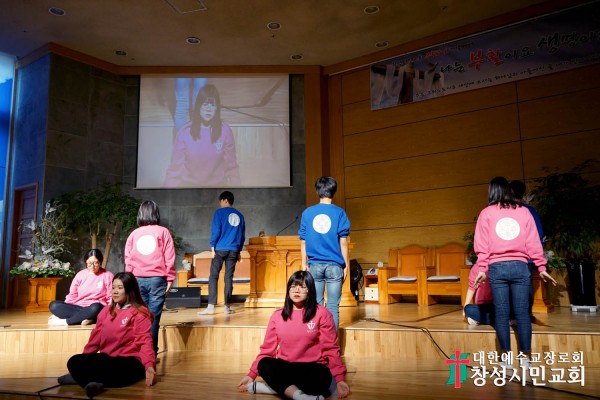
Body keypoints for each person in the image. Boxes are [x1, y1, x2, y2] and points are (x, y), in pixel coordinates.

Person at [474, 177, 556, 368]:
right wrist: (541, 267)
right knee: (522, 314)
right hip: (521, 267)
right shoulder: (524, 212)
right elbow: (534, 242)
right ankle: (526, 358)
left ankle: (506, 359)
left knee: (501, 314)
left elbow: (481, 245)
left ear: (491, 191)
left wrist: (482, 268)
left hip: (497, 268)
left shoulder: (486, 213)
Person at [238, 271, 350, 400]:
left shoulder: (322, 314)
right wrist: (251, 375)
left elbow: (330, 348)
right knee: (264, 364)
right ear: (288, 290)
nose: (297, 290)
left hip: (311, 368)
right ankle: (299, 396)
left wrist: (340, 379)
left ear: (310, 290)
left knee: (323, 379)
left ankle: (274, 388)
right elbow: (267, 350)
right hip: (286, 367)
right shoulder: (277, 315)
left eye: (302, 286)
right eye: (293, 286)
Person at [57, 272, 156, 398]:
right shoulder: (106, 311)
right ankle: (89, 382)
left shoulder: (139, 313)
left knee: (116, 372)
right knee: (74, 361)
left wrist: (149, 365)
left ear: (129, 290)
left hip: (129, 361)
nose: (115, 291)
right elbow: (95, 340)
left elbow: (144, 341)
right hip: (108, 358)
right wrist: (84, 361)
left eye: (120, 288)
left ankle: (80, 379)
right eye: (113, 287)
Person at [164, 84, 241, 187]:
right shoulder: (184, 133)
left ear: (217, 108)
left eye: (212, 105)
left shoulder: (225, 131)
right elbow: (174, 171)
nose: (208, 109)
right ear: (198, 106)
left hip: (216, 188)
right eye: (205, 104)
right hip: (190, 188)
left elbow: (232, 168)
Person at [299, 176, 350, 330]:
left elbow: (303, 241)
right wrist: (346, 265)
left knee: (316, 306)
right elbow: (343, 242)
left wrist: (303, 263)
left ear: (317, 191)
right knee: (333, 307)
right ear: (334, 191)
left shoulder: (308, 213)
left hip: (314, 265)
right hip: (335, 265)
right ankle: (332, 343)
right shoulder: (340, 213)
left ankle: (318, 341)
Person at [125, 200, 176, 354]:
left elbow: (128, 259)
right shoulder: (163, 232)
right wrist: (170, 278)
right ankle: (150, 352)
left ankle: (140, 351)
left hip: (137, 280)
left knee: (140, 316)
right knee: (153, 317)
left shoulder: (134, 234)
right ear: (156, 213)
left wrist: (128, 280)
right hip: (157, 279)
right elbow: (169, 257)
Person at [199, 191, 245, 315]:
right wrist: (239, 250)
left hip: (220, 248)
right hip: (234, 250)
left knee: (214, 276)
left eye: (220, 201)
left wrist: (212, 247)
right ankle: (227, 307)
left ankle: (210, 306)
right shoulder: (240, 215)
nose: (220, 203)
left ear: (225, 200)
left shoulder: (219, 213)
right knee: (228, 277)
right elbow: (242, 235)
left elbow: (216, 231)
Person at [48, 249, 113, 326]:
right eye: (89, 263)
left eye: (96, 263)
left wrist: (110, 311)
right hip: (78, 306)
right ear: (86, 262)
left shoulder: (108, 275)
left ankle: (65, 321)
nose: (92, 266)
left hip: (95, 307)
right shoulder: (80, 275)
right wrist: (62, 309)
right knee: (53, 305)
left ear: (100, 262)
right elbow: (72, 295)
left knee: (96, 307)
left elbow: (111, 297)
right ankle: (88, 318)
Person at [509, 179, 544, 320]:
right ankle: (526, 314)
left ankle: (512, 316)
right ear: (523, 194)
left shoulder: (504, 210)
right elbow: (538, 234)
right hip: (528, 256)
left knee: (509, 285)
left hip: (510, 255)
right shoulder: (529, 210)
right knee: (526, 285)